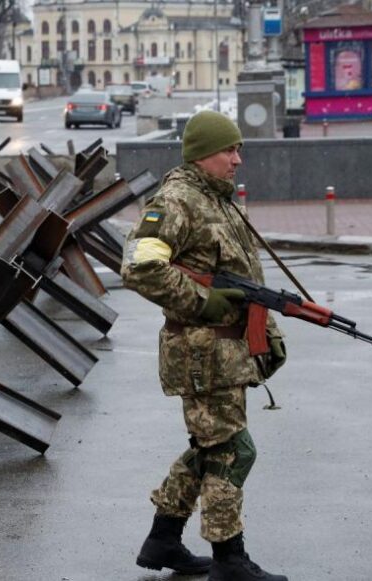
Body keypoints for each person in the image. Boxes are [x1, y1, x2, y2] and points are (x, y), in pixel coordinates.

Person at [122, 111, 288, 581]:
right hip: (201, 353)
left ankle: (163, 538)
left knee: (210, 449)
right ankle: (228, 558)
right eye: (229, 150)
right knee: (233, 450)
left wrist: (268, 334)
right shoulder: (176, 202)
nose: (237, 160)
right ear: (202, 154)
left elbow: (244, 284)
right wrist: (203, 302)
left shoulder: (217, 200)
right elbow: (139, 267)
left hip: (224, 353)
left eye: (239, 150)